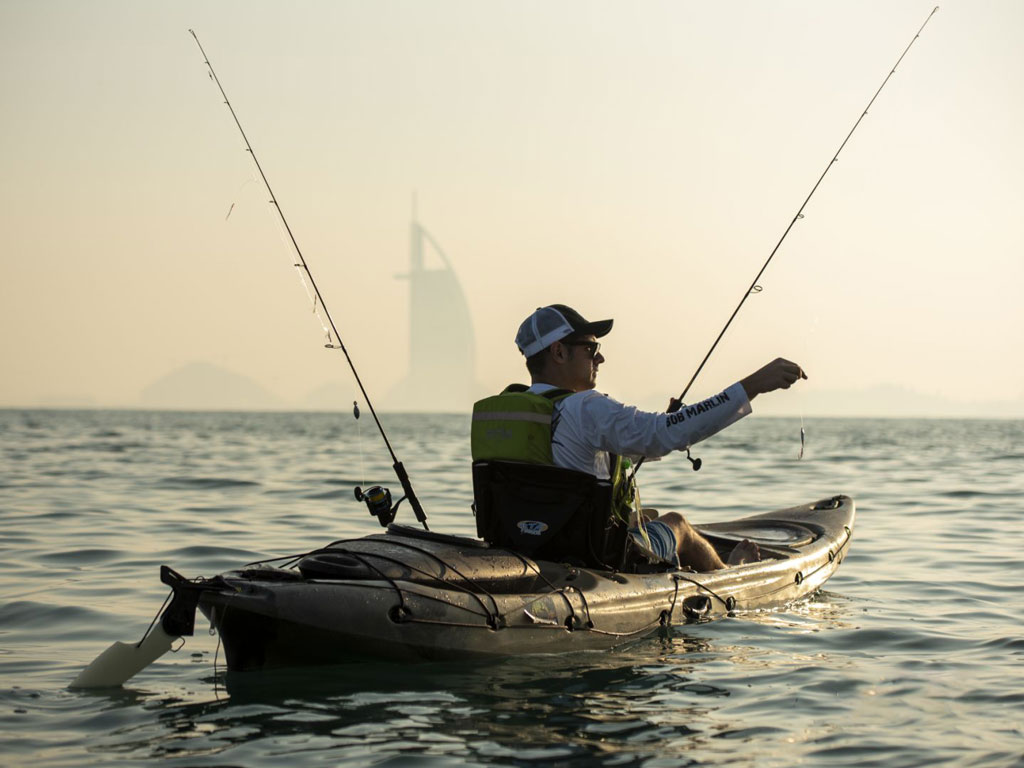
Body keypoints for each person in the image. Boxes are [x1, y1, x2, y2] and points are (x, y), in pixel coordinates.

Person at [477, 304, 807, 571]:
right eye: (591, 348)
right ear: (559, 352)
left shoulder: (510, 411)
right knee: (678, 526)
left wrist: (667, 421)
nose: (599, 358)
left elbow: (579, 453)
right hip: (593, 556)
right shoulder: (586, 407)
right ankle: (730, 571)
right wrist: (753, 386)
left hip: (526, 545)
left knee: (645, 515)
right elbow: (663, 435)